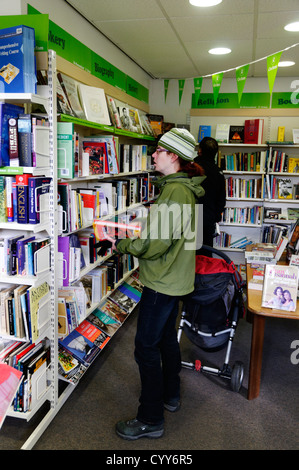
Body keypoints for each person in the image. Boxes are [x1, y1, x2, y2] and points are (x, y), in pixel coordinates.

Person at [104, 128, 205, 440]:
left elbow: (156, 245)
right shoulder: (186, 189)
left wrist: (122, 244)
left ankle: (150, 419)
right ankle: (170, 395)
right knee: (164, 340)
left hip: (162, 282)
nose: (153, 155)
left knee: (145, 348)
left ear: (173, 156)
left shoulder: (175, 192)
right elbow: (191, 237)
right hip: (176, 278)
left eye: (159, 150)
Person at [195, 137, 226, 254]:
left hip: (191, 218)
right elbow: (221, 199)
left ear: (200, 150)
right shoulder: (218, 172)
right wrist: (216, 217)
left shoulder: (192, 168)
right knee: (206, 255)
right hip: (208, 219)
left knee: (190, 257)